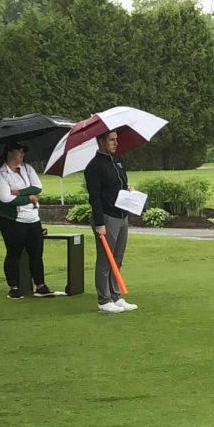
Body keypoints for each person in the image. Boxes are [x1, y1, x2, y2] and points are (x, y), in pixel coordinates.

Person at [84, 131, 137, 314]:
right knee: (106, 260)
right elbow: (95, 197)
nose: (116, 143)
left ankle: (115, 296)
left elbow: (121, 186)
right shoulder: (94, 166)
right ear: (101, 141)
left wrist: (128, 189)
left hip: (122, 215)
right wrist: (99, 223)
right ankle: (104, 300)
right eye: (111, 140)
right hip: (106, 217)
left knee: (118, 258)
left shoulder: (118, 161)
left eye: (116, 140)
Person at [0, 142, 54, 299]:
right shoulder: (1, 175)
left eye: (22, 152)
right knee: (14, 252)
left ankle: (40, 285)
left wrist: (19, 193)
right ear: (9, 153)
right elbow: (6, 198)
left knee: (36, 253)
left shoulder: (27, 168)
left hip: (33, 218)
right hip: (12, 220)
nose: (21, 155)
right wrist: (29, 198)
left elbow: (37, 187)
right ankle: (14, 286)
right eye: (18, 152)